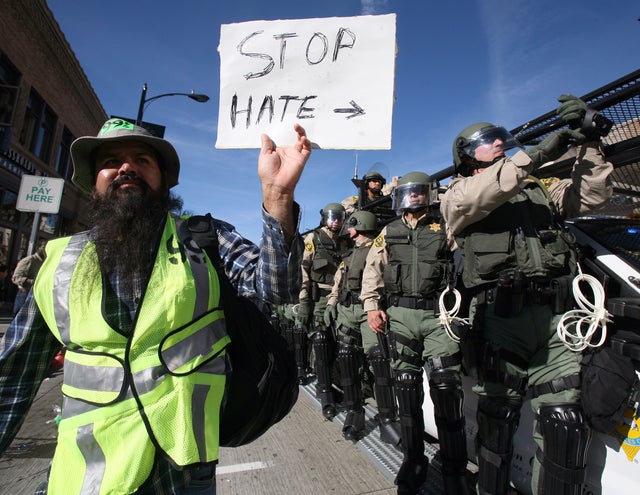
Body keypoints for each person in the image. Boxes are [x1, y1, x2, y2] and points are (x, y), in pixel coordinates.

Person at [0, 117, 311, 494]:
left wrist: (277, 196)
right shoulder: (59, 261)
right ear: (93, 181)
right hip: (86, 476)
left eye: (142, 159)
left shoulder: (203, 239)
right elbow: (11, 378)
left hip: (181, 474)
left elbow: (277, 288)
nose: (126, 167)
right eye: (111, 160)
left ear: (163, 179)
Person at [440, 94, 613, 495]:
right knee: (497, 420)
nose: (498, 142)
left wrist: (586, 140)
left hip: (557, 320)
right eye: (487, 139)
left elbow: (590, 198)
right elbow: (484, 193)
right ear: (468, 156)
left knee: (566, 425)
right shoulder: (457, 194)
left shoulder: (537, 186)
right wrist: (536, 152)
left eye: (501, 136)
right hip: (502, 321)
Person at [361, 171, 469, 495]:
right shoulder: (389, 231)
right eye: (410, 193)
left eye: (420, 193)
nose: (414, 198)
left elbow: (465, 262)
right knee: (406, 389)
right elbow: (373, 269)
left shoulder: (444, 227)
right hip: (400, 315)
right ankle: (414, 460)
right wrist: (370, 306)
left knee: (447, 389)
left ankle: (454, 470)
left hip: (439, 314)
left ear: (429, 195)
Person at [323, 210, 394, 442]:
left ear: (361, 225)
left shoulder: (379, 247)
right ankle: (354, 412)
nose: (348, 230)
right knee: (346, 357)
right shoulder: (349, 254)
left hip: (368, 311)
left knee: (379, 361)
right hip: (346, 310)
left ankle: (387, 419)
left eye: (352, 226)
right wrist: (332, 303)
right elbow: (338, 282)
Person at [295, 202, 349, 418]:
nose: (336, 220)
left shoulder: (344, 242)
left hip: (339, 297)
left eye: (339, 217)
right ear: (325, 218)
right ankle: (324, 390)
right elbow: (303, 269)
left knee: (341, 343)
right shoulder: (314, 239)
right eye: (332, 217)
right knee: (321, 341)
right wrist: (304, 299)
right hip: (318, 297)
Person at [11, 244, 46, 316]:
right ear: (37, 248)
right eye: (43, 247)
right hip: (24, 294)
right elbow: (16, 277)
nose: (45, 250)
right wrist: (30, 281)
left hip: (36, 296)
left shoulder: (45, 262)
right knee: (19, 319)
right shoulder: (29, 260)